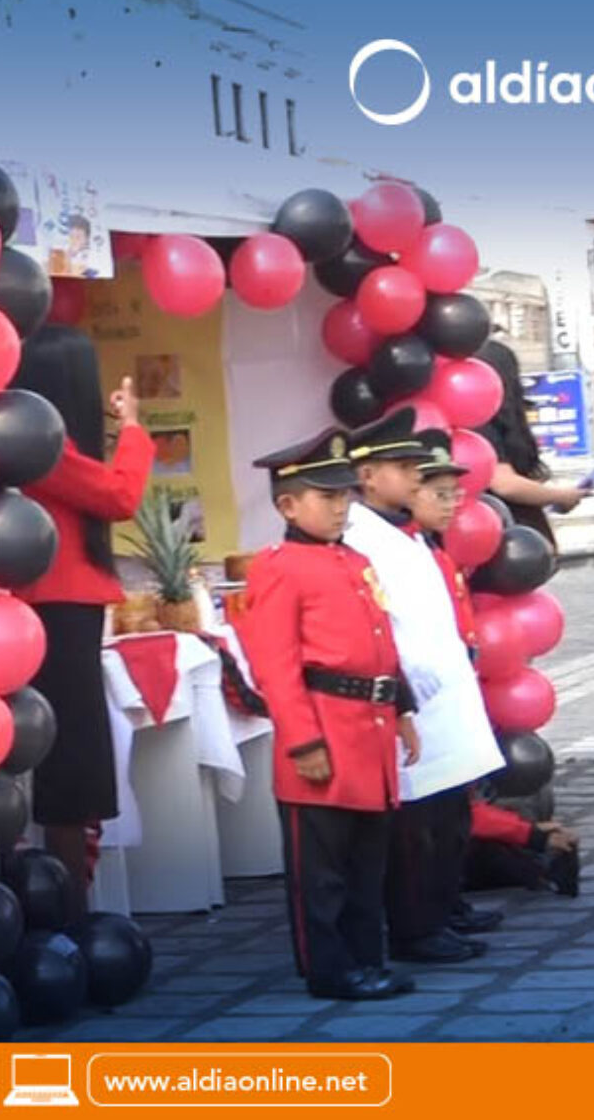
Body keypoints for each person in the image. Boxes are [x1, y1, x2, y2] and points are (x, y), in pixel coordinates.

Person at [232, 425, 419, 1002]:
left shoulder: (353, 559)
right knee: (322, 873)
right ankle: (331, 969)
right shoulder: (279, 567)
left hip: (370, 730)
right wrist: (302, 741)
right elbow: (276, 665)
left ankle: (368, 959)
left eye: (344, 496)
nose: (341, 507)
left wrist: (403, 706)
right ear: (288, 504)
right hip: (324, 735)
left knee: (366, 866)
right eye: (327, 497)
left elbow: (379, 638)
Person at [341, 410, 505, 965]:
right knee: (417, 825)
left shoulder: (403, 534)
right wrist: (407, 675)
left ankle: (444, 908)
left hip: (447, 694)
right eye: (403, 466)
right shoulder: (359, 537)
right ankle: (417, 928)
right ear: (366, 477)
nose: (416, 475)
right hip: (412, 696)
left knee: (448, 816)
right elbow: (374, 618)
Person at [11, 325, 152, 916]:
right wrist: (135, 428)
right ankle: (68, 903)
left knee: (70, 752)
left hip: (57, 602)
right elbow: (120, 494)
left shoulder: (36, 443)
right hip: (57, 603)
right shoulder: (46, 448)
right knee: (71, 757)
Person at [406, 428, 506, 937]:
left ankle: (450, 902)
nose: (450, 505)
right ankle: (431, 912)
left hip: (453, 684)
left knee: (454, 814)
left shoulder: (431, 546)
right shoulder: (398, 548)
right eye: (438, 494)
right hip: (424, 696)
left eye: (455, 494)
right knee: (431, 817)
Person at [476, 340, 585, 545]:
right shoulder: (484, 425)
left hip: (503, 529)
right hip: (510, 534)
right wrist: (559, 496)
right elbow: (504, 484)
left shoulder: (473, 421)